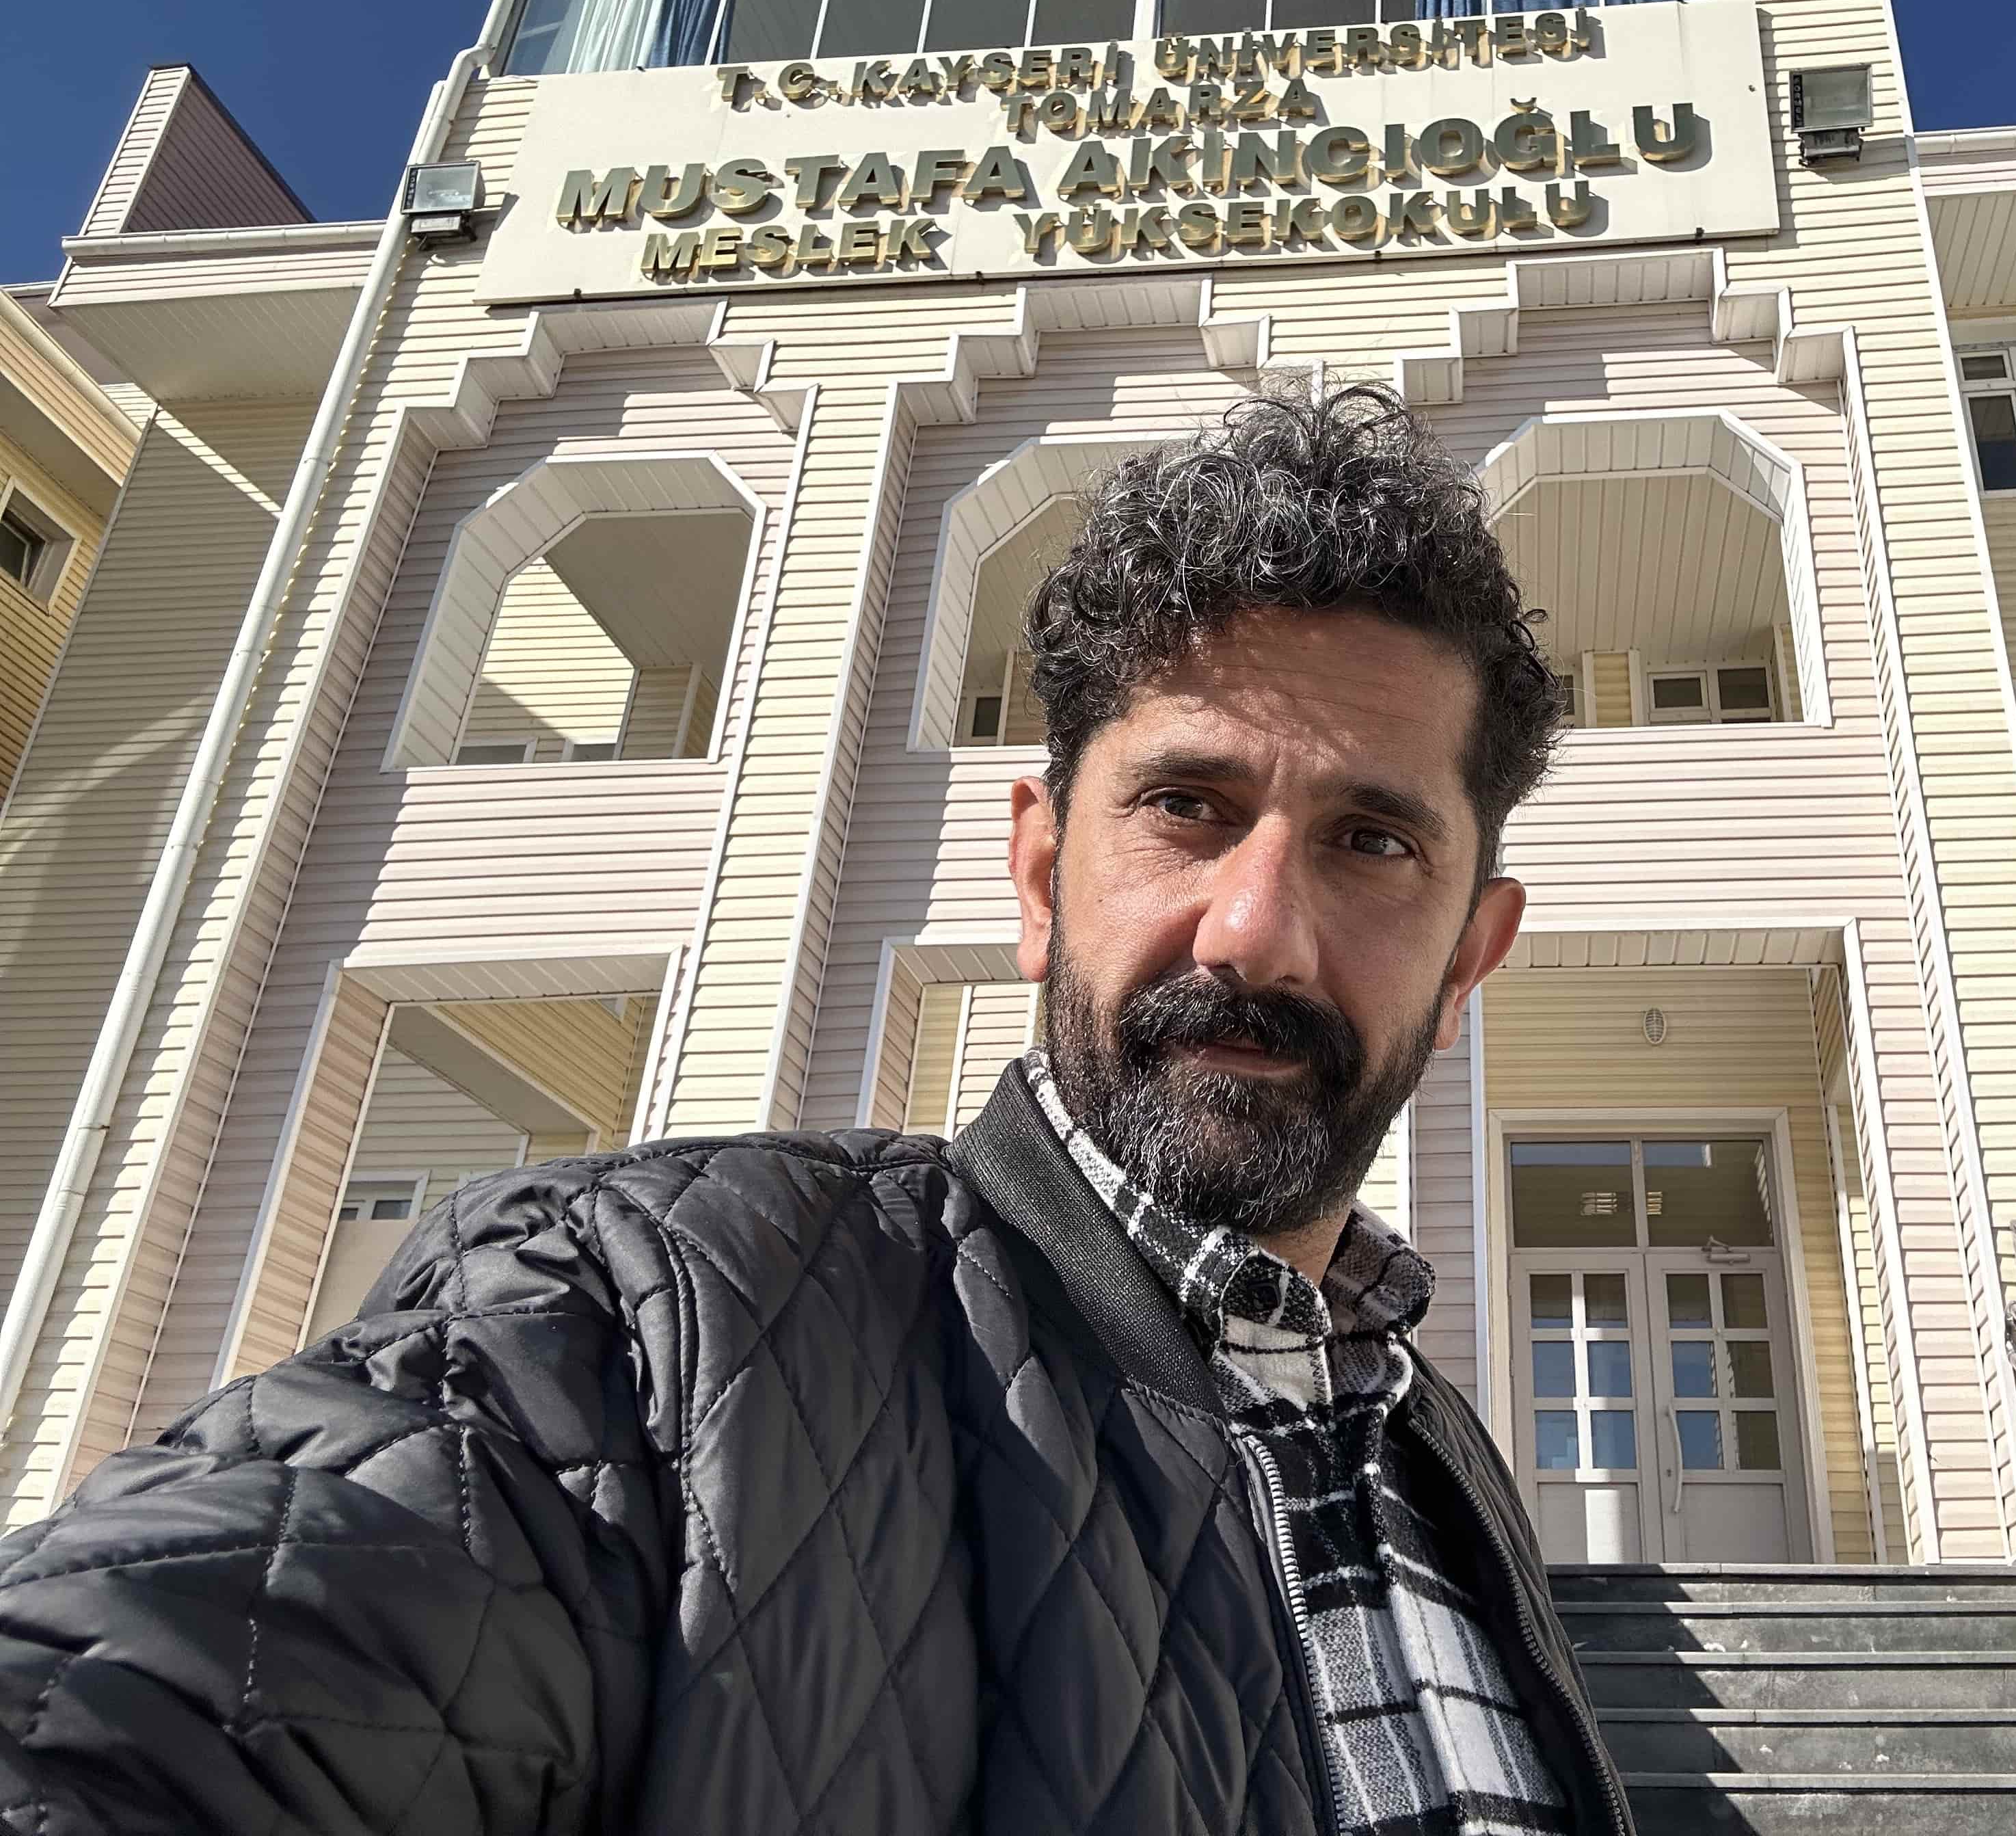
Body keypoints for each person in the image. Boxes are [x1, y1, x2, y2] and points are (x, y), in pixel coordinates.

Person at [0, 386, 1633, 1836]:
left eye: (1373, 842)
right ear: (1042, 874)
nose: (1255, 933)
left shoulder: (1440, 1455)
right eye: (1186, 807)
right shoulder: (649, 1322)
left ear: (1468, 953)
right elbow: (149, 1706)